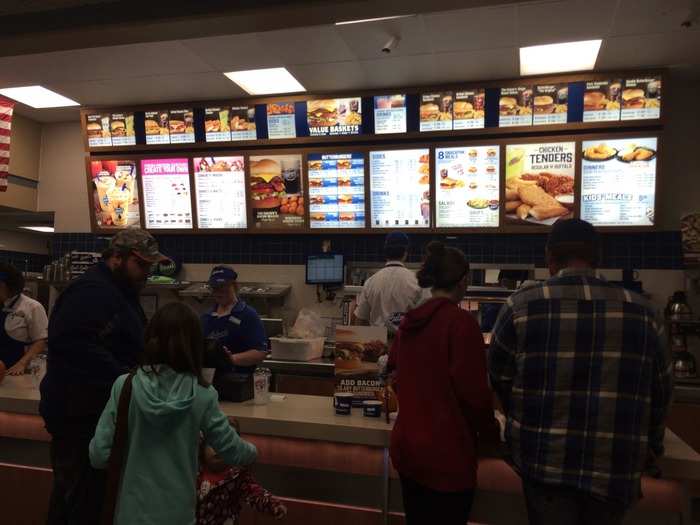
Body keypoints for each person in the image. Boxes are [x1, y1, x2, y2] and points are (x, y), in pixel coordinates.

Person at [488, 219, 673, 525]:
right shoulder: (644, 312)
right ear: (598, 258)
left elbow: (500, 378)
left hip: (543, 463)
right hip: (615, 467)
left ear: (550, 258)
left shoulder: (519, 307)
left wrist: (521, 427)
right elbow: (662, 392)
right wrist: (650, 446)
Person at [40, 229, 169, 524]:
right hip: (78, 417)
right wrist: (127, 379)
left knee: (93, 502)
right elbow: (75, 346)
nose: (146, 273)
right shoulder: (91, 292)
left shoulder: (119, 292)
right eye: (142, 265)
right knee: (77, 503)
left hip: (95, 414)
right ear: (116, 258)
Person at [90, 301, 258, 525]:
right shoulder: (202, 394)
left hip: (131, 514)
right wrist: (254, 451)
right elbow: (233, 452)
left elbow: (99, 455)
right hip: (178, 514)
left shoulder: (125, 386)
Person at [388, 241, 497, 525]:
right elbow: (474, 394)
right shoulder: (461, 324)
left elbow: (395, 376)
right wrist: (491, 434)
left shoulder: (409, 323)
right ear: (463, 281)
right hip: (447, 456)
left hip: (408, 451)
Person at [201, 265, 267, 375]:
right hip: (210, 382)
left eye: (223, 287)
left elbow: (260, 352)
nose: (218, 292)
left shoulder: (248, 315)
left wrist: (232, 359)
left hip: (238, 381)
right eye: (215, 288)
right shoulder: (206, 317)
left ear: (234, 286)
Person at [353, 232, 426, 327]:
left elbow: (360, 320)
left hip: (377, 341)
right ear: (405, 253)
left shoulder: (371, 282)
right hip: (406, 339)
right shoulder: (416, 281)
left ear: (385, 252)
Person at [0, 262, 48, 375]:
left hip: (15, 372)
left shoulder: (33, 307)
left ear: (7, 286)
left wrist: (22, 364)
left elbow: (41, 341)